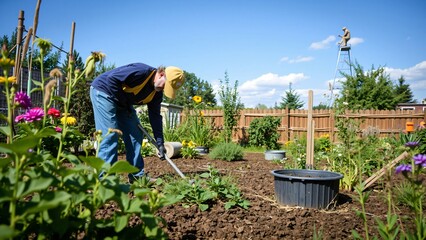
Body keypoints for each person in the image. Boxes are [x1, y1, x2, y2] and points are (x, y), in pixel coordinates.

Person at [90, 63, 185, 182]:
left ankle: (136, 176)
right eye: (164, 86)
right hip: (104, 91)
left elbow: (155, 116)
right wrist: (124, 103)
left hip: (122, 102)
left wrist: (160, 142)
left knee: (135, 134)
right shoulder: (141, 71)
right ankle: (105, 180)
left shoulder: (156, 93)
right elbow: (111, 79)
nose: (162, 90)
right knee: (110, 135)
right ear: (161, 74)